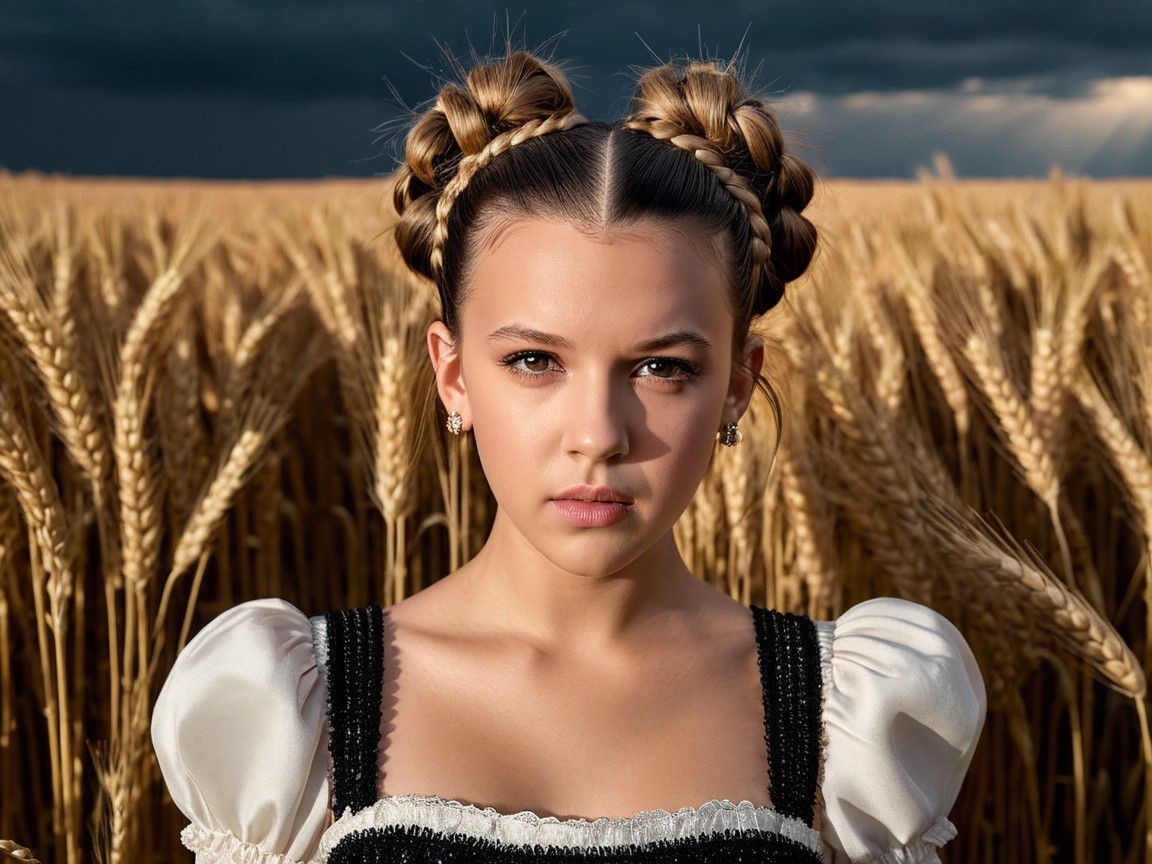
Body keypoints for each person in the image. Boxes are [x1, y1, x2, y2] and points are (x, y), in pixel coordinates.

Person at [152, 49, 986, 864]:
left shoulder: (843, 721)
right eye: (534, 361)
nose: (598, 433)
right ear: (453, 375)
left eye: (663, 368)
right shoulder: (304, 719)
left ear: (737, 384)